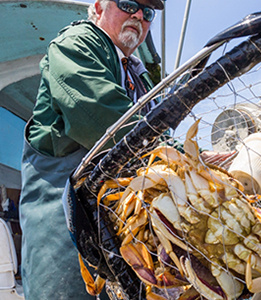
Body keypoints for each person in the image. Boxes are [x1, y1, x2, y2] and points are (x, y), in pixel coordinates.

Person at [19, 0, 164, 299]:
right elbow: (103, 116)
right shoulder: (77, 44)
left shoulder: (141, 75)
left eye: (147, 13)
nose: (138, 15)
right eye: (127, 4)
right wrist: (175, 153)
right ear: (98, 7)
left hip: (121, 237)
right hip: (64, 231)